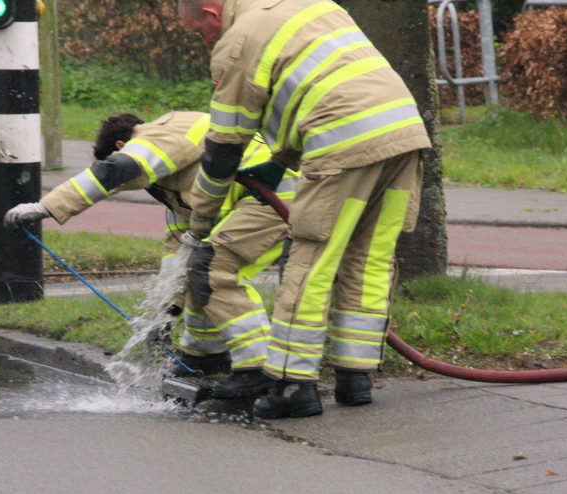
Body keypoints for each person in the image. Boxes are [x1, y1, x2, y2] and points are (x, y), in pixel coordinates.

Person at [178, 0, 432, 418]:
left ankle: (293, 386)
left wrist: (200, 219)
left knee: (310, 262)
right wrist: (278, 162)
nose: (203, 40)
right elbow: (321, 83)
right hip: (403, 134)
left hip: (340, 143)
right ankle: (355, 378)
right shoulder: (309, 4)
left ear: (210, 13)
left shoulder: (236, 42)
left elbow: (223, 148)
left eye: (197, 32)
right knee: (367, 260)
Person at [4, 111, 295, 378]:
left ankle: (258, 368)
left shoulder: (156, 137)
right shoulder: (175, 177)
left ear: (121, 144)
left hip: (275, 196)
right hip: (261, 197)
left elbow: (117, 169)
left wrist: (46, 206)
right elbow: (178, 252)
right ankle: (204, 356)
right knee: (197, 270)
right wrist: (165, 313)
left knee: (213, 269)